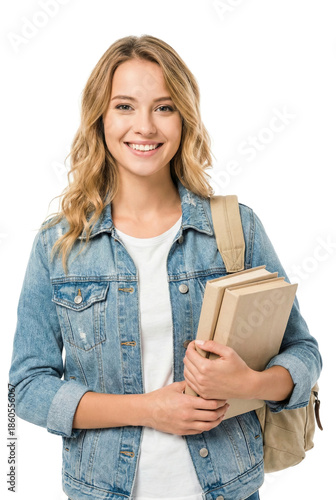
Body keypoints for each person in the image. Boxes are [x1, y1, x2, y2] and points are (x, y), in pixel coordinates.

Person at [9, 35, 322, 500]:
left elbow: (303, 353)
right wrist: (146, 410)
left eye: (164, 107)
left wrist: (250, 383)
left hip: (228, 489)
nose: (145, 126)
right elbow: (28, 386)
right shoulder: (59, 244)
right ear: (100, 117)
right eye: (125, 106)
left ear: (184, 120)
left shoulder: (234, 229)